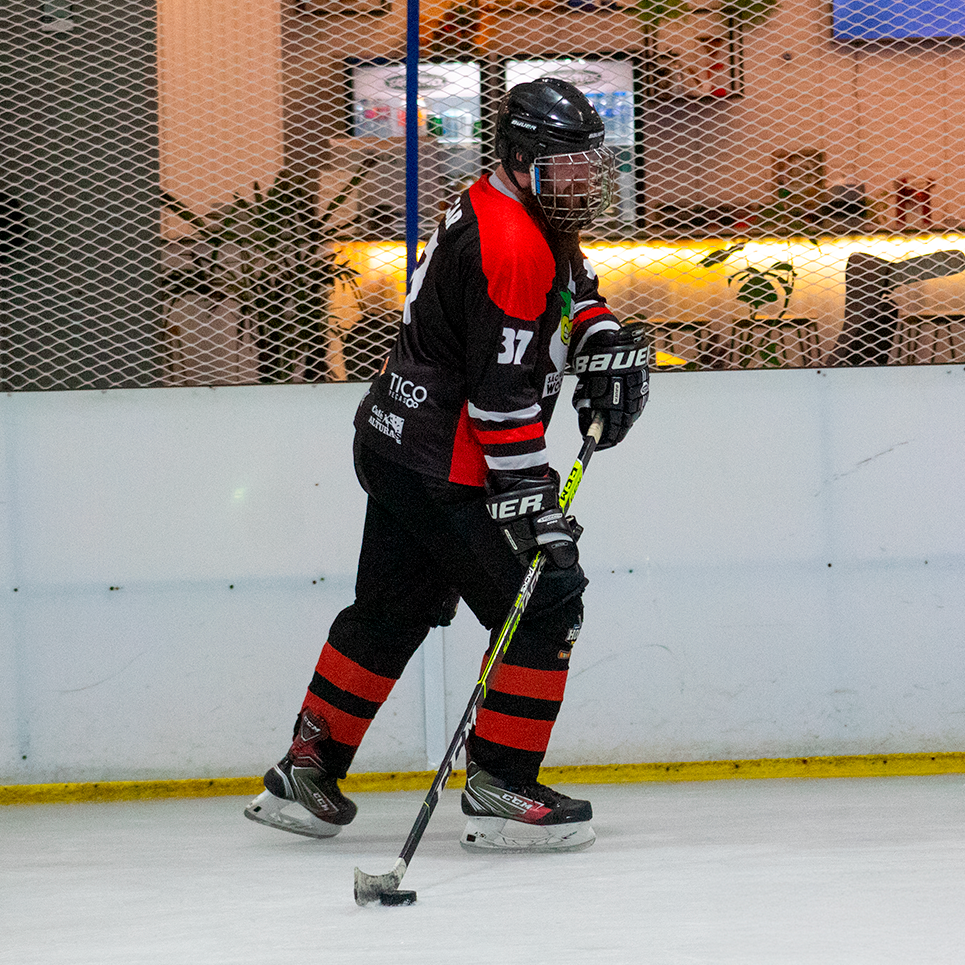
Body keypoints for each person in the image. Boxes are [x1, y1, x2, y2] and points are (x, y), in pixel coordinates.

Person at [244, 78, 648, 852]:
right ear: (521, 157)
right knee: (545, 601)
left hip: (394, 443)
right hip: (447, 463)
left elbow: (573, 290)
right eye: (565, 167)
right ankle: (500, 787)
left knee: (389, 609)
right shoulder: (510, 243)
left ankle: (306, 772)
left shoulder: (512, 205)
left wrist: (598, 334)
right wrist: (530, 502)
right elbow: (499, 401)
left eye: (588, 166)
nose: (581, 182)